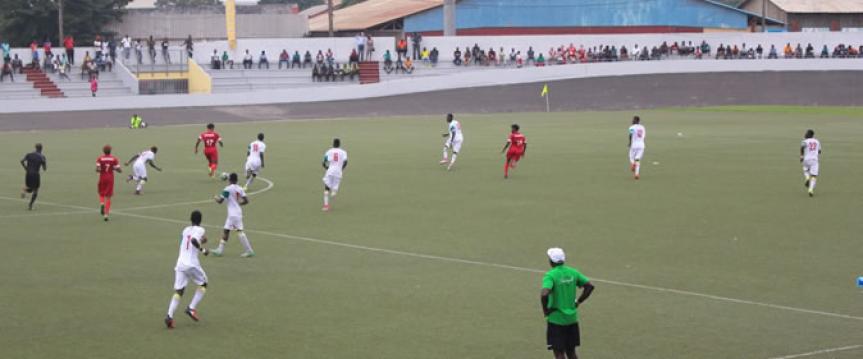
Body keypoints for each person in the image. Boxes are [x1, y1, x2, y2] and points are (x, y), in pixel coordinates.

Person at [541, 248, 595, 359]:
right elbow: (590, 286)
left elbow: (544, 294)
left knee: (559, 353)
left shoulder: (550, 275)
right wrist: (578, 301)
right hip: (572, 319)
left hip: (556, 320)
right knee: (571, 352)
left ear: (551, 261)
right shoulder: (573, 272)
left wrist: (546, 311)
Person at [165, 210, 209, 329]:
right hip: (191, 264)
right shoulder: (200, 230)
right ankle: (191, 308)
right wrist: (203, 250)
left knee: (179, 291)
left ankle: (169, 316)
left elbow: (186, 242)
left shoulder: (185, 230)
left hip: (180, 264)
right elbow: (194, 241)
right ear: (200, 220)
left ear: (191, 220)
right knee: (204, 284)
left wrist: (201, 240)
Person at [211, 173, 254, 257]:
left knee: (232, 231)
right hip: (238, 212)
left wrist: (215, 197)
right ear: (236, 180)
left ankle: (249, 251)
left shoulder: (227, 189)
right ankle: (220, 250)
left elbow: (220, 201)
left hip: (232, 214)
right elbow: (246, 201)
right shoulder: (240, 188)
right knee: (229, 230)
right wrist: (238, 204)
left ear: (229, 180)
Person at [96, 145, 122, 221]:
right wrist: (113, 168)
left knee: (101, 193)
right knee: (108, 196)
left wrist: (100, 169)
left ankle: (102, 204)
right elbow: (119, 170)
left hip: (102, 178)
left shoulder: (100, 158)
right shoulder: (114, 159)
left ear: (103, 151)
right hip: (110, 179)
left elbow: (97, 169)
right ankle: (106, 215)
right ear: (110, 151)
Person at [322, 138, 348, 212]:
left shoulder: (329, 151)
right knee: (335, 186)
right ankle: (334, 191)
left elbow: (324, 162)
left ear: (333, 144)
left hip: (330, 170)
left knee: (326, 188)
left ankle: (326, 206)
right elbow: (345, 162)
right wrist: (341, 169)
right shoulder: (343, 152)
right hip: (338, 171)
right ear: (339, 144)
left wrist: (327, 168)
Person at [20, 143, 47, 210]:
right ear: (41, 148)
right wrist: (44, 164)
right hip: (35, 174)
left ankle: (24, 190)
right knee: (35, 190)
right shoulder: (42, 156)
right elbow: (44, 169)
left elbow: (22, 161)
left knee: (30, 189)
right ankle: (30, 205)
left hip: (28, 173)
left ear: (35, 148)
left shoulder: (29, 154)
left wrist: (25, 168)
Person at [801, 129, 821, 197]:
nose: (805, 134)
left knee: (805, 170)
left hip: (806, 159)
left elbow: (802, 147)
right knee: (814, 176)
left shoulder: (805, 141)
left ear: (809, 135)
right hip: (814, 160)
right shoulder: (817, 141)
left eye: (806, 133)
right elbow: (819, 151)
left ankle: (807, 178)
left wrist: (801, 156)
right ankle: (810, 189)